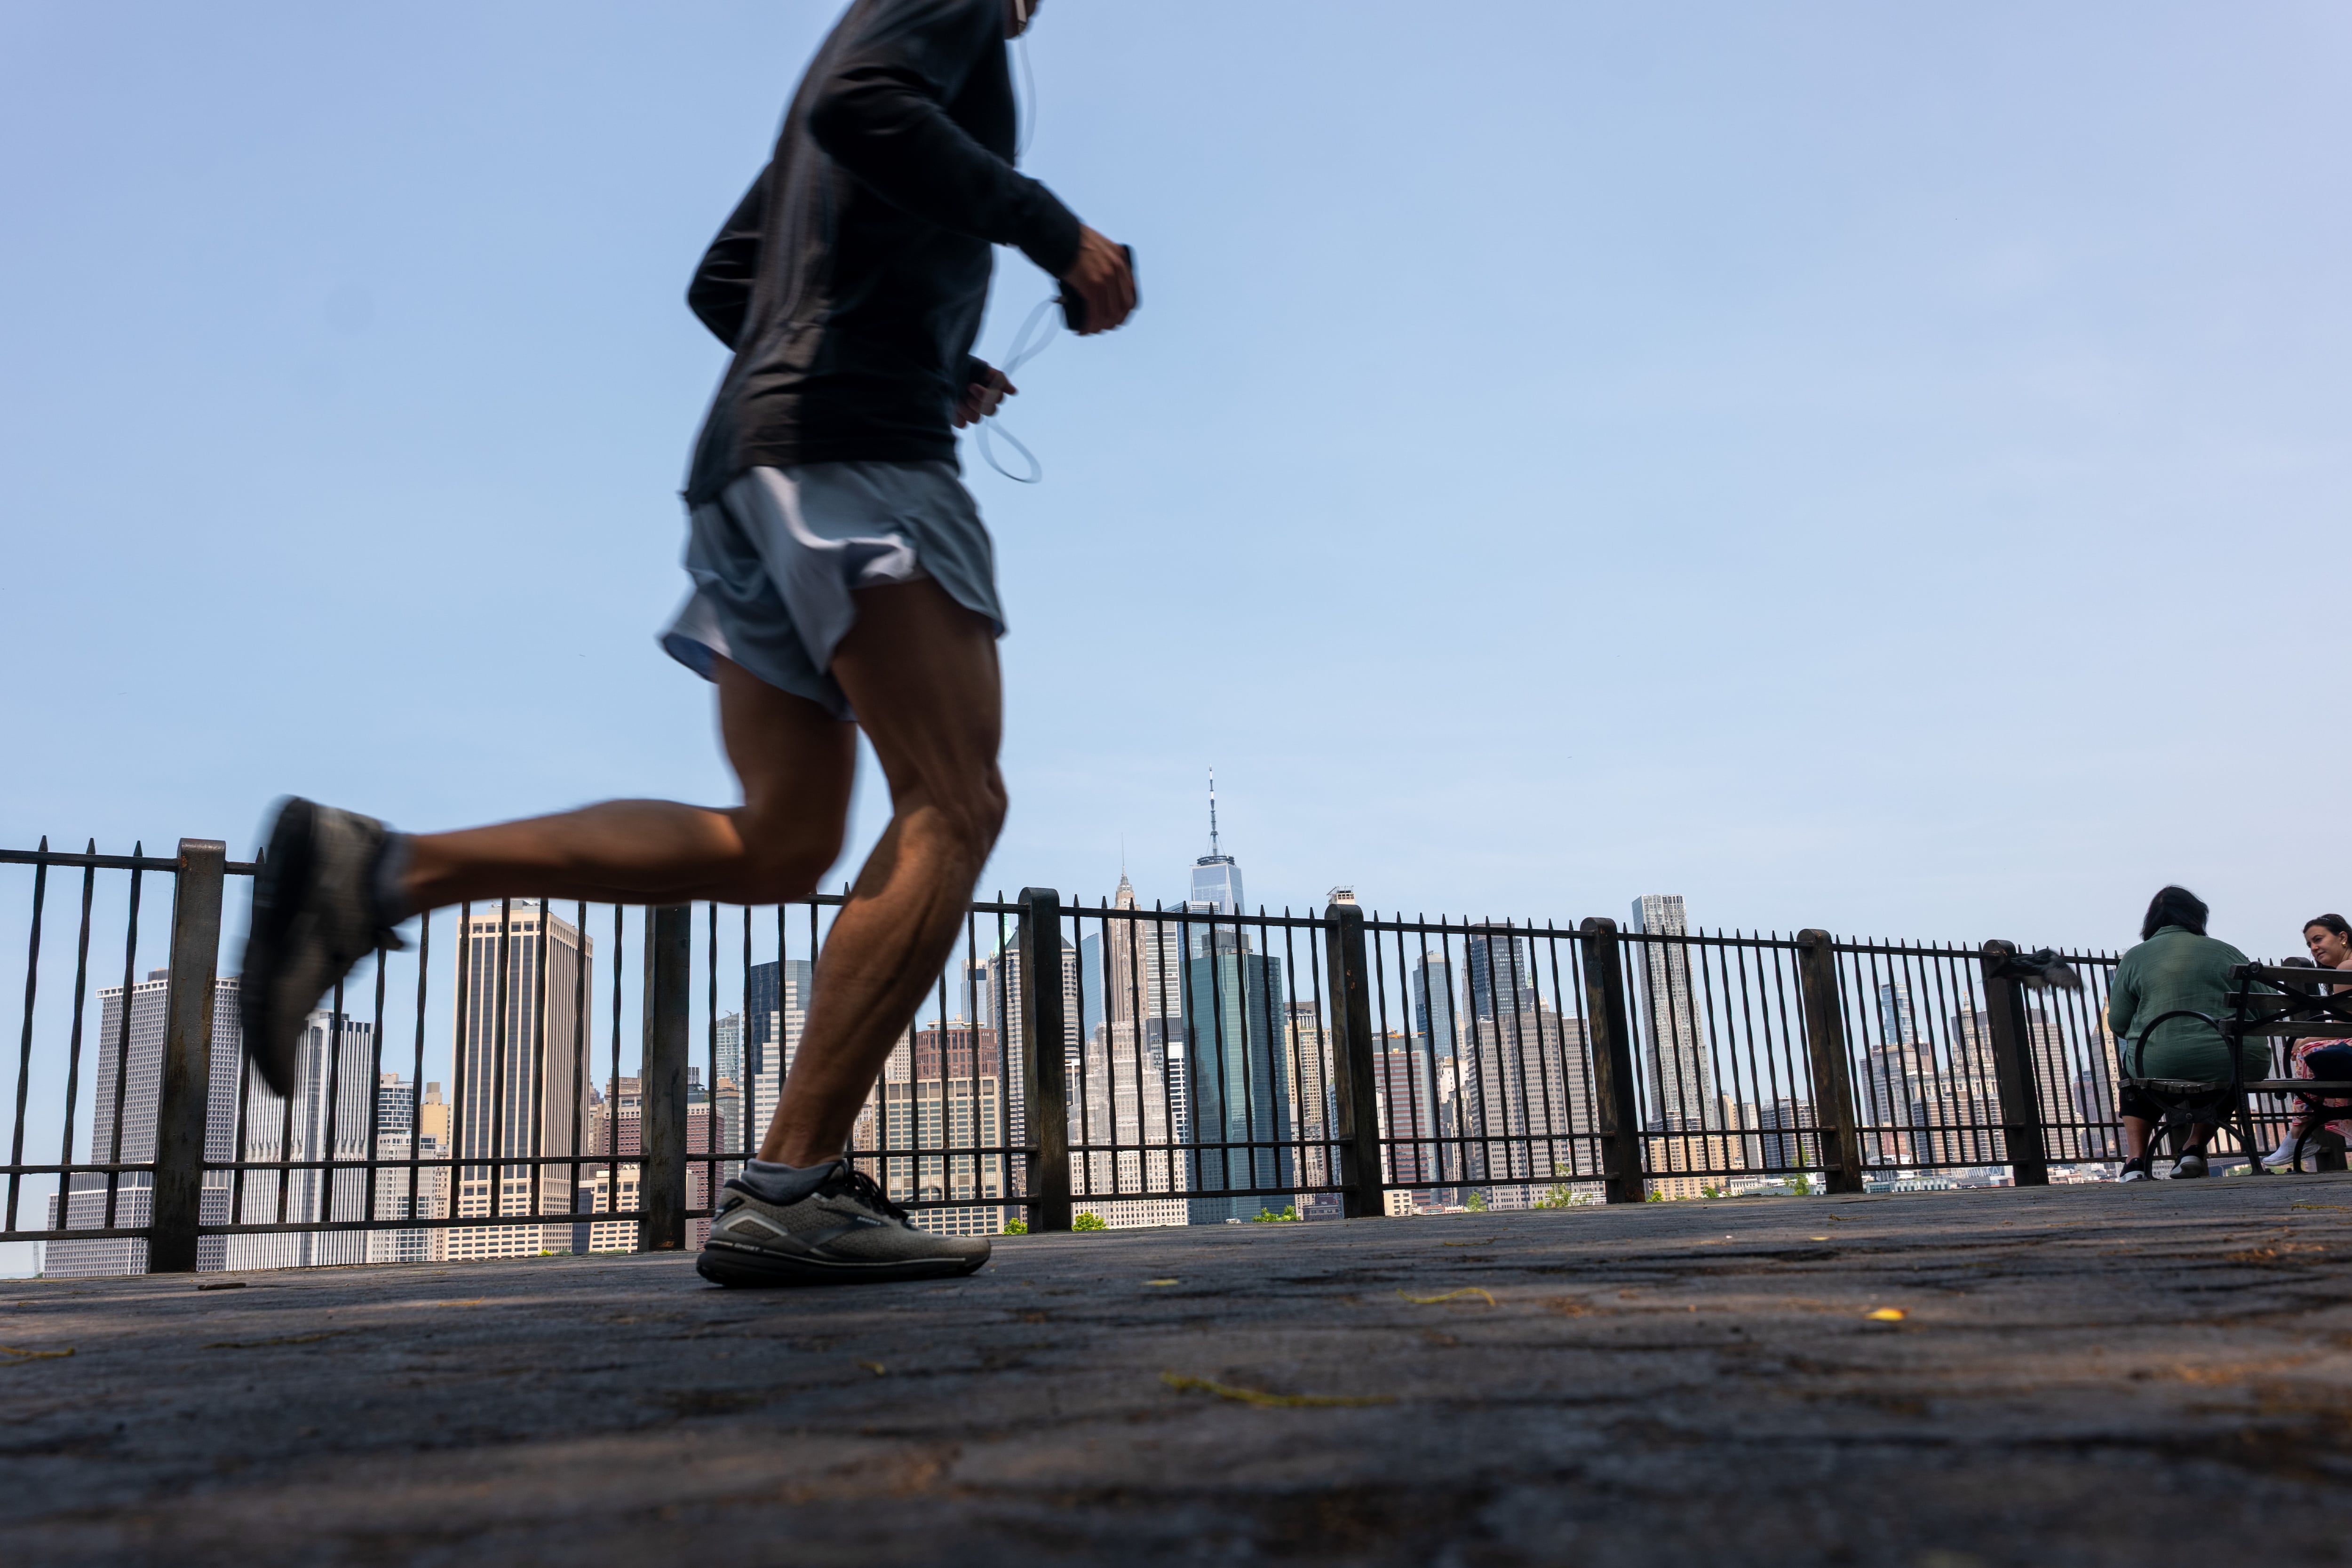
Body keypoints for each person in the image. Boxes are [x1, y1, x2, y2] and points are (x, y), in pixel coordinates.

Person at [238, 0, 1136, 1286]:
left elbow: (725, 278)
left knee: (781, 839)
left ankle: (378, 869)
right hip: (856, 457)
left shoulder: (875, 33)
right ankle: (790, 1185)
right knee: (956, 797)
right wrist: (1062, 234)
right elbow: (862, 112)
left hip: (747, 464)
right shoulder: (940, 12)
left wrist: (941, 365)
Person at [2104, 885, 2265, 1182]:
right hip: (2237, 1061)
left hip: (2161, 1063)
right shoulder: (2228, 951)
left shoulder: (2135, 957)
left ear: (2151, 921)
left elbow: (2118, 1024)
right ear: (2197, 918)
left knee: (2134, 1058)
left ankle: (2136, 1161)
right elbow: (2267, 1008)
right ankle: (2193, 1147)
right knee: (2230, 1063)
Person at [2259, 915, 2352, 1169]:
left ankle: (2300, 1133)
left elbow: (2345, 1027)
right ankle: (2301, 1133)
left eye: (2319, 939)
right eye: (2310, 944)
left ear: (2342, 937)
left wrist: (2308, 1038)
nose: (2314, 948)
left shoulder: (2346, 969)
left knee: (2309, 1051)